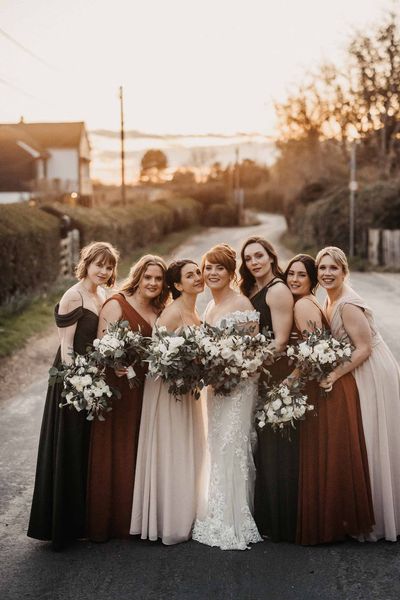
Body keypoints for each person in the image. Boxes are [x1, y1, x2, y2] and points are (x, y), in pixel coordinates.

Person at [27, 241, 119, 550]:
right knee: (69, 445)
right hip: (71, 380)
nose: (104, 271)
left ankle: (82, 518)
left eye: (109, 267)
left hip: (94, 377)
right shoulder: (73, 295)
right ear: (87, 263)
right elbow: (65, 346)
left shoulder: (102, 294)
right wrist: (77, 383)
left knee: (85, 448)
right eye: (99, 265)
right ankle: (61, 524)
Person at [284, 254, 374, 545]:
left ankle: (334, 521)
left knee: (332, 447)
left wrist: (297, 381)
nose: (295, 280)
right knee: (335, 448)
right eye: (291, 274)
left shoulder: (318, 304)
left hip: (338, 378)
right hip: (333, 376)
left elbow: (355, 348)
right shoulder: (320, 302)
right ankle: (338, 517)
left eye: (302, 274)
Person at [317, 246, 400, 542]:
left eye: (333, 268)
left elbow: (363, 348)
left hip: (372, 369)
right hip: (358, 365)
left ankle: (381, 514)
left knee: (374, 436)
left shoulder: (348, 304)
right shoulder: (330, 299)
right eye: (322, 268)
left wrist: (335, 374)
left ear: (344, 271)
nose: (327, 273)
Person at [87, 255, 168, 542]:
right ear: (138, 276)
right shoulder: (116, 303)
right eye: (148, 277)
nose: (153, 283)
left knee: (137, 448)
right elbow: (101, 345)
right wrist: (114, 363)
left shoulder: (160, 309)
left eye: (158, 279)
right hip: (118, 386)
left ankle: (134, 518)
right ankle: (107, 520)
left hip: (145, 387)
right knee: (116, 448)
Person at [130, 259, 206, 545]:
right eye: (190, 275)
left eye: (198, 272)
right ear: (177, 285)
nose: (198, 278)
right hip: (168, 392)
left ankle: (187, 513)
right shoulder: (172, 314)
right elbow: (157, 361)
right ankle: (169, 521)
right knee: (173, 449)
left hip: (187, 391)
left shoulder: (194, 309)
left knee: (188, 448)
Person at [192, 244, 262, 550]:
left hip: (238, 389)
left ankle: (234, 519)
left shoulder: (241, 305)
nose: (212, 273)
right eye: (208, 267)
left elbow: (253, 356)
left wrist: (229, 373)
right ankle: (217, 510)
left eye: (219, 268)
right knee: (216, 443)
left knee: (232, 445)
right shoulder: (209, 306)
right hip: (216, 388)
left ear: (231, 272)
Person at [240, 236, 298, 542]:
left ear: (270, 257)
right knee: (261, 443)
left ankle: (281, 521)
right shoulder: (252, 289)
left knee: (276, 446)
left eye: (258, 256)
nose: (254, 262)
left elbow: (280, 341)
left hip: (275, 373)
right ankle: (264, 515)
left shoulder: (277, 290)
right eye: (248, 258)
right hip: (258, 373)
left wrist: (249, 363)